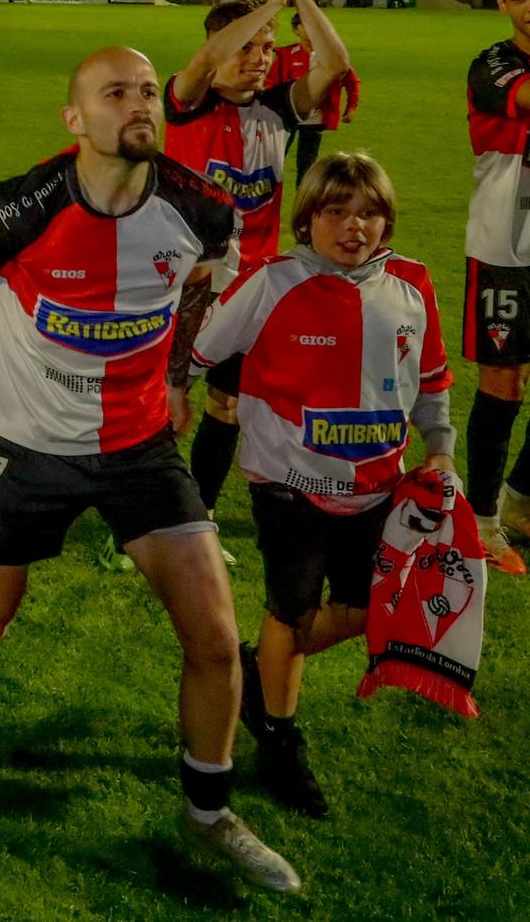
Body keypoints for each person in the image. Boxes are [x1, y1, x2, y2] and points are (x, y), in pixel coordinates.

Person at [0, 44, 300, 892]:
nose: (142, 105)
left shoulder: (201, 208)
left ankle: (208, 812)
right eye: (116, 92)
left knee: (216, 637)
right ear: (75, 118)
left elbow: (197, 285)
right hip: (29, 445)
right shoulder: (20, 208)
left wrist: (176, 373)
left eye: (151, 91)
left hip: (139, 449)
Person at [192, 152, 454, 817]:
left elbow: (430, 384)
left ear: (387, 220)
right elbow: (199, 348)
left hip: (378, 486)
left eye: (369, 212)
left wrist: (443, 449)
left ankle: (257, 665)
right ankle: (279, 739)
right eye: (336, 210)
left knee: (371, 612)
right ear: (307, 219)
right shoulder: (272, 282)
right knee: (294, 608)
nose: (354, 225)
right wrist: (165, 391)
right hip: (288, 485)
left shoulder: (413, 284)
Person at [164, 0, 351, 568]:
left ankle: (201, 520)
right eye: (247, 49)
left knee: (226, 406)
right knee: (165, 408)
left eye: (268, 49)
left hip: (250, 291)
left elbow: (334, 63)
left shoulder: (278, 109)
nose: (261, 58)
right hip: (184, 288)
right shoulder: (186, 105)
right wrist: (264, 9)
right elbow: (201, 63)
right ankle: (137, 524)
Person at [463, 0, 530, 571]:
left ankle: (521, 500)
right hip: (505, 246)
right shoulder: (492, 65)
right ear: (503, 3)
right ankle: (481, 519)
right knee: (503, 383)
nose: (529, 7)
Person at [265, 13, 361, 187]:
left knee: (307, 163)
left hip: (315, 120)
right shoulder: (287, 55)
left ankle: (304, 201)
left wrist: (351, 107)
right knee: (275, 159)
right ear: (296, 30)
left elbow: (352, 81)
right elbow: (270, 84)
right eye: (305, 27)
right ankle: (266, 193)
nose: (310, 32)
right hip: (287, 118)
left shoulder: (332, 58)